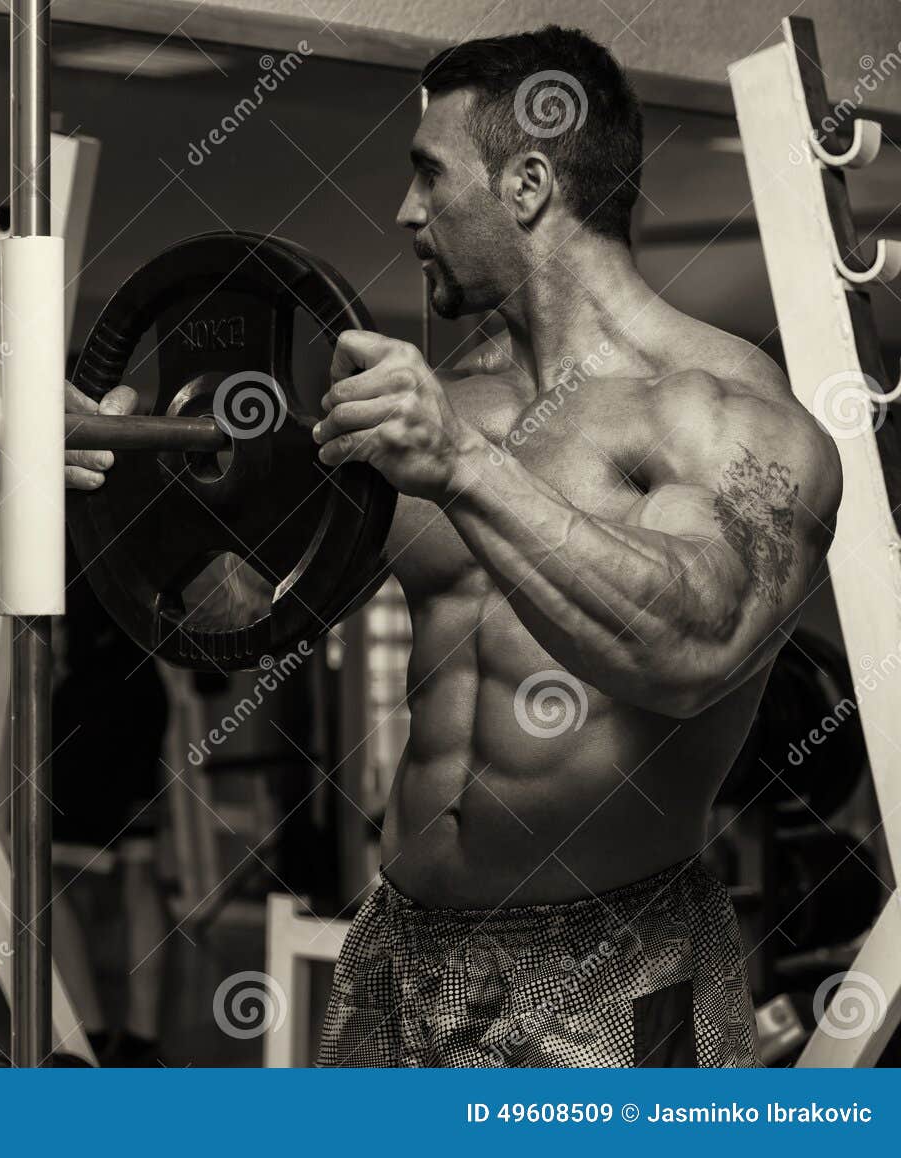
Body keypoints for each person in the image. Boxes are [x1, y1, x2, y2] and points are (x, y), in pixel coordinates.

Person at [68, 25, 840, 1067]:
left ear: (526, 184)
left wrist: (467, 472)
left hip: (606, 962)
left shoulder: (717, 412)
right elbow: (244, 615)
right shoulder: (441, 406)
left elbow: (692, 651)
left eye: (429, 175)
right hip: (402, 943)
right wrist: (124, 490)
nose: (404, 212)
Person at [50, 537, 170, 1066]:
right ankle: (140, 1041)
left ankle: (90, 1035)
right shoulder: (140, 495)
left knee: (48, 874)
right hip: (144, 690)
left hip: (90, 702)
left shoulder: (57, 509)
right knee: (139, 873)